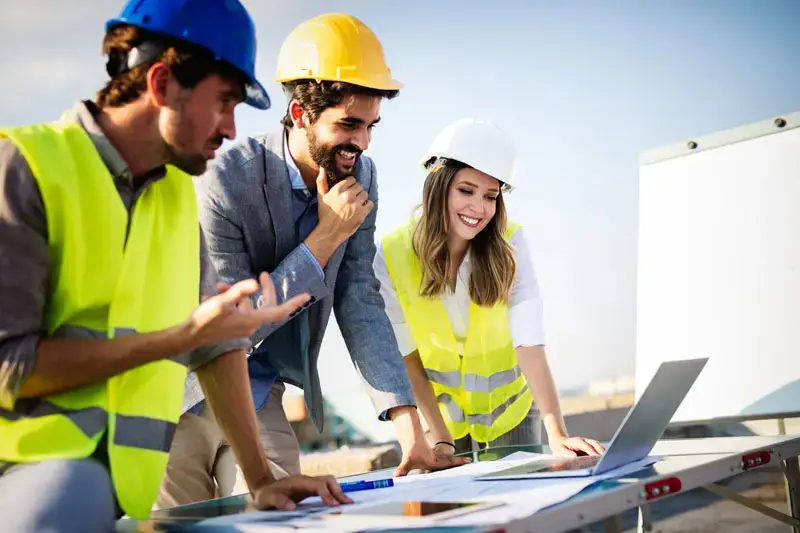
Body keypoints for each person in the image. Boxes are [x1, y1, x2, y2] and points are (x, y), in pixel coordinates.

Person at [0, 1, 353, 531]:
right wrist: (175, 338)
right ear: (163, 84)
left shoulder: (174, 198)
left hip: (127, 494)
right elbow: (10, 366)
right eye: (224, 102)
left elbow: (215, 344)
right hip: (28, 481)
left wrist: (260, 480)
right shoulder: (24, 169)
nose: (232, 129)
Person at [158, 12, 468, 508]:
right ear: (301, 114)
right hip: (180, 397)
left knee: (287, 519)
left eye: (371, 126)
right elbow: (233, 327)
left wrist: (412, 430)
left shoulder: (360, 177)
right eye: (348, 124)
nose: (363, 143)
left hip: (261, 397)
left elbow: (359, 300)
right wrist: (324, 239)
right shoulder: (224, 180)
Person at [373, 118, 607, 460]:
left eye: (490, 196)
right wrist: (440, 439)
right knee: (453, 511)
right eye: (466, 190)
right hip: (441, 420)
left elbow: (530, 343)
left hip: (510, 415)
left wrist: (557, 433)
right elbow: (407, 359)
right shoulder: (391, 255)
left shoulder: (510, 243)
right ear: (438, 187)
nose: (479, 208)